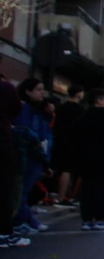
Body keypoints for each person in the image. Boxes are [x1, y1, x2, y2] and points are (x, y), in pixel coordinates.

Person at [75, 89, 104, 230]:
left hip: (86, 159)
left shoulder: (84, 116)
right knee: (101, 188)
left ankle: (86, 219)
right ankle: (100, 218)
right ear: (98, 100)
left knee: (87, 189)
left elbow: (75, 136)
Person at [13, 79, 52, 236]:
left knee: (23, 191)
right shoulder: (25, 110)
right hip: (29, 155)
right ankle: (22, 221)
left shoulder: (36, 110)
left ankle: (24, 220)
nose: (42, 92)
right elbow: (28, 133)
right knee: (21, 192)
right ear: (27, 91)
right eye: (38, 89)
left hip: (35, 156)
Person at [1, 76, 25, 249]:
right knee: (4, 187)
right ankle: (4, 233)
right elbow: (16, 109)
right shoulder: (5, 88)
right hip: (2, 142)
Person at [52, 86, 84, 205]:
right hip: (73, 142)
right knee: (68, 169)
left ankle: (62, 195)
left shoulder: (61, 108)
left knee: (61, 168)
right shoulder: (80, 110)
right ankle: (62, 197)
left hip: (60, 141)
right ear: (78, 94)